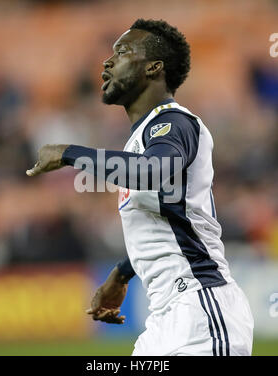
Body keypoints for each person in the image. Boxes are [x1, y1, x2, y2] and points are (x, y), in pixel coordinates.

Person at [26, 19, 254, 356]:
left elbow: (152, 173)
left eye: (122, 52)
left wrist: (69, 153)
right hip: (164, 320)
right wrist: (121, 274)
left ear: (153, 68)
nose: (107, 61)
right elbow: (169, 221)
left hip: (201, 310)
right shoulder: (144, 137)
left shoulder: (174, 123)